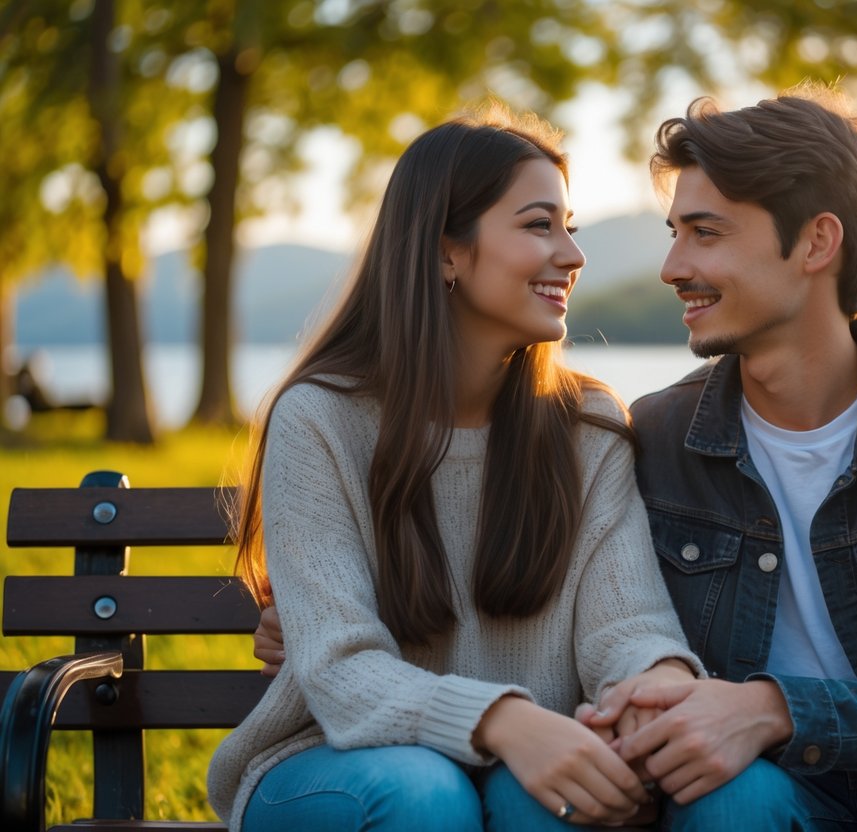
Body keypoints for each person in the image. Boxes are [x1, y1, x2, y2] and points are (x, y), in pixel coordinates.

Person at [256, 87, 857, 830]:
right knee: (706, 799)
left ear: (814, 243)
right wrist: (315, 621)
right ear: (446, 254)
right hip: (742, 781)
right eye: (670, 231)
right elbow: (612, 629)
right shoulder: (654, 434)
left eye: (705, 232)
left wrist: (750, 704)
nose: (664, 266)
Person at [206, 108, 703, 832]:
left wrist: (653, 686)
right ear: (446, 252)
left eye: (570, 227)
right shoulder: (320, 419)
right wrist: (504, 722)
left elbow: (624, 625)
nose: (571, 254)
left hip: (529, 762)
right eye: (539, 225)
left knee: (549, 806)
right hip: (334, 765)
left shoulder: (587, 426)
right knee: (425, 795)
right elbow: (341, 668)